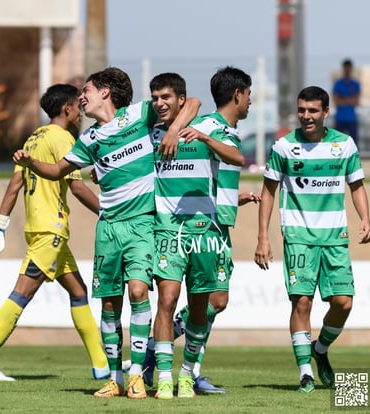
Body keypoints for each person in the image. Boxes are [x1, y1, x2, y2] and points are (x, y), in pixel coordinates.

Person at [12, 67, 200, 399]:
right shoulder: (89, 139)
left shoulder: (139, 115)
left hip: (142, 224)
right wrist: (30, 163)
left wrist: (173, 131)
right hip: (108, 227)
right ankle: (114, 378)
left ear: (105, 93)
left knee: (140, 292)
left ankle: (137, 374)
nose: (80, 97)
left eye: (86, 90)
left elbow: (194, 102)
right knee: (110, 306)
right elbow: (57, 171)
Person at [0, 83, 110, 382]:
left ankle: (101, 366)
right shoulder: (62, 138)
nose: (81, 110)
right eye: (78, 105)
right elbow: (77, 186)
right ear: (66, 109)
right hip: (51, 230)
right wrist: (108, 212)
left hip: (40, 229)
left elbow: (15, 185)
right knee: (22, 293)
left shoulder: (33, 138)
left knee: (78, 292)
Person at [143, 67, 260, 395]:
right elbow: (190, 104)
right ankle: (170, 371)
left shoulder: (216, 131)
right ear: (238, 94)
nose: (251, 101)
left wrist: (235, 200)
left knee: (214, 302)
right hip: (177, 229)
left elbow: (215, 175)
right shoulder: (200, 126)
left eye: (165, 97)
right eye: (249, 95)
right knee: (169, 298)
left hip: (213, 227)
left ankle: (186, 368)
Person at [254, 86, 370, 393]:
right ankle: (305, 372)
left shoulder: (344, 145)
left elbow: (357, 185)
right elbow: (268, 192)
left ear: (325, 113)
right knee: (302, 302)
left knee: (343, 303)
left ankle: (320, 349)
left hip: (335, 237)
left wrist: (366, 219)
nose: (306, 116)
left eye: (312, 111)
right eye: (302, 110)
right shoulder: (283, 146)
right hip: (298, 237)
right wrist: (263, 237)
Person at [332, 59, 361, 146]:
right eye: (346, 68)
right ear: (343, 68)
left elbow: (356, 102)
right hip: (340, 119)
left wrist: (343, 98)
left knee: (354, 145)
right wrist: (350, 99)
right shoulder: (338, 84)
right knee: (338, 144)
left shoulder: (355, 84)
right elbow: (336, 101)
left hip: (352, 119)